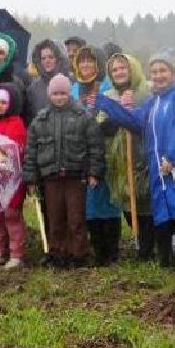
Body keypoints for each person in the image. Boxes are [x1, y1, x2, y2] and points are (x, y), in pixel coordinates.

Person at [95, 52, 175, 267]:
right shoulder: (154, 101)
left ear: (173, 73)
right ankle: (168, 262)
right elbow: (135, 121)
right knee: (166, 216)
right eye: (154, 72)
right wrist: (106, 104)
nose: (158, 76)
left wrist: (173, 156)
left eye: (163, 70)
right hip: (161, 172)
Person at [24, 74, 106, 267]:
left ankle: (79, 254)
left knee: (76, 219)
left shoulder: (83, 117)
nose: (59, 97)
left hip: (75, 177)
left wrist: (94, 172)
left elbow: (95, 146)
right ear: (49, 95)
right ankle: (57, 253)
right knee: (55, 218)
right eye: (55, 94)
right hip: (50, 178)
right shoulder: (40, 120)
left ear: (69, 93)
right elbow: (31, 151)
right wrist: (31, 178)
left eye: (63, 93)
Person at [71, 46, 123, 264]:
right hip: (83, 152)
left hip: (107, 148)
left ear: (98, 63)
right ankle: (98, 248)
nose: (85, 65)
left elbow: (115, 113)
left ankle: (111, 250)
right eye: (81, 62)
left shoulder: (107, 85)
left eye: (89, 61)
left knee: (109, 199)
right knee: (90, 201)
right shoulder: (74, 89)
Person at [104, 51, 153, 259]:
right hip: (119, 157)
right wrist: (118, 112)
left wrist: (134, 111)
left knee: (146, 200)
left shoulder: (147, 92)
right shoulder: (109, 97)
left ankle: (151, 246)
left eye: (123, 67)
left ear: (132, 68)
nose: (119, 72)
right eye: (114, 69)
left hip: (143, 153)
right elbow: (102, 127)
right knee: (126, 197)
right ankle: (139, 242)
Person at [0, 87, 29, 269]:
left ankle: (16, 253)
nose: (0, 106)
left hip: (12, 179)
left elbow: (17, 149)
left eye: (4, 103)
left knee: (12, 215)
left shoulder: (16, 124)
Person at [26, 38, 70, 120]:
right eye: (43, 58)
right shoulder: (34, 87)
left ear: (59, 58)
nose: (47, 61)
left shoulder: (72, 83)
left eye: (51, 57)